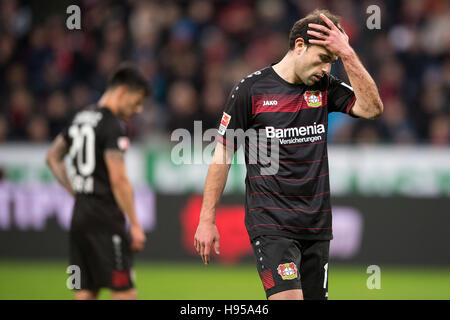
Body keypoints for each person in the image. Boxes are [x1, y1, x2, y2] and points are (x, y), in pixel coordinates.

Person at [194, 9, 383, 300]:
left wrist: (346, 53)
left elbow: (372, 108)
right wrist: (207, 220)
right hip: (272, 223)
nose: (326, 70)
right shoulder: (251, 90)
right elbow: (222, 155)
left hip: (316, 226)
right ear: (298, 46)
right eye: (323, 58)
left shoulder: (324, 87)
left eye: (332, 63)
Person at [46, 63, 151, 300]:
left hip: (80, 217)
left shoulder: (81, 118)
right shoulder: (113, 125)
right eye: (137, 101)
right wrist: (134, 224)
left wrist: (77, 192)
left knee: (85, 291)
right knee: (124, 292)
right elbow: (119, 178)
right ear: (122, 91)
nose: (138, 108)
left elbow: (53, 157)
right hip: (106, 219)